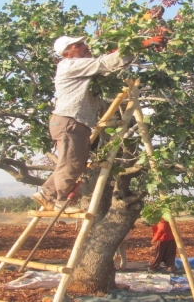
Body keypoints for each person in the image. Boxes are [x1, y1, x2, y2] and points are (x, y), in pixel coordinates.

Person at [32, 35, 166, 213]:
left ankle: (47, 194)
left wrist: (122, 52)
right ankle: (61, 201)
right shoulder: (70, 65)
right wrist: (140, 44)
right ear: (67, 54)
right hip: (70, 121)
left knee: (70, 162)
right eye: (78, 45)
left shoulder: (82, 67)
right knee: (72, 163)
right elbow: (105, 63)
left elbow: (106, 64)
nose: (85, 46)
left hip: (72, 122)